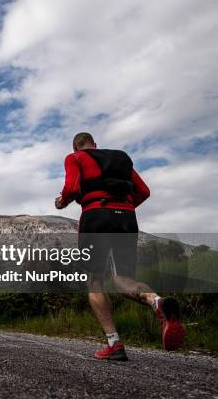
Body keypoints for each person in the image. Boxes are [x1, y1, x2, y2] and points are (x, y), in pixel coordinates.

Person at [55, 132, 185, 360]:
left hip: (96, 216)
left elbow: (73, 187)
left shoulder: (74, 158)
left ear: (77, 147)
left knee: (95, 281)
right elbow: (144, 191)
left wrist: (61, 201)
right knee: (123, 280)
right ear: (95, 145)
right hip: (126, 216)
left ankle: (114, 344)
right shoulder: (119, 158)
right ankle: (157, 302)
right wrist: (122, 206)